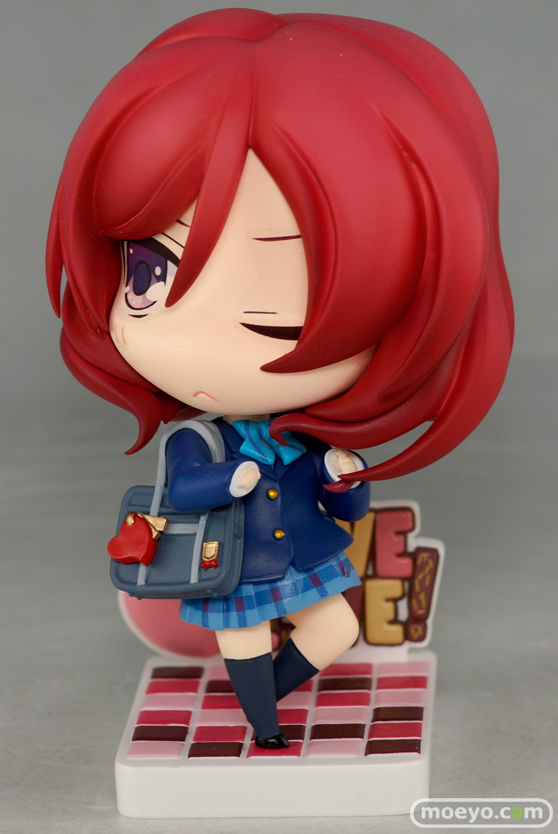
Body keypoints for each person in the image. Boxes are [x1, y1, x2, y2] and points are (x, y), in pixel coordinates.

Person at [46, 9, 513, 747]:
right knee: (241, 638)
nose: (192, 343)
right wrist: (226, 480)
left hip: (299, 556)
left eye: (272, 319)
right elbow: (183, 487)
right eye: (148, 274)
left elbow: (350, 507)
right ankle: (264, 726)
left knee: (336, 628)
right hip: (231, 564)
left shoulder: (301, 437)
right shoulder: (200, 439)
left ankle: (271, 695)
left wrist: (341, 476)